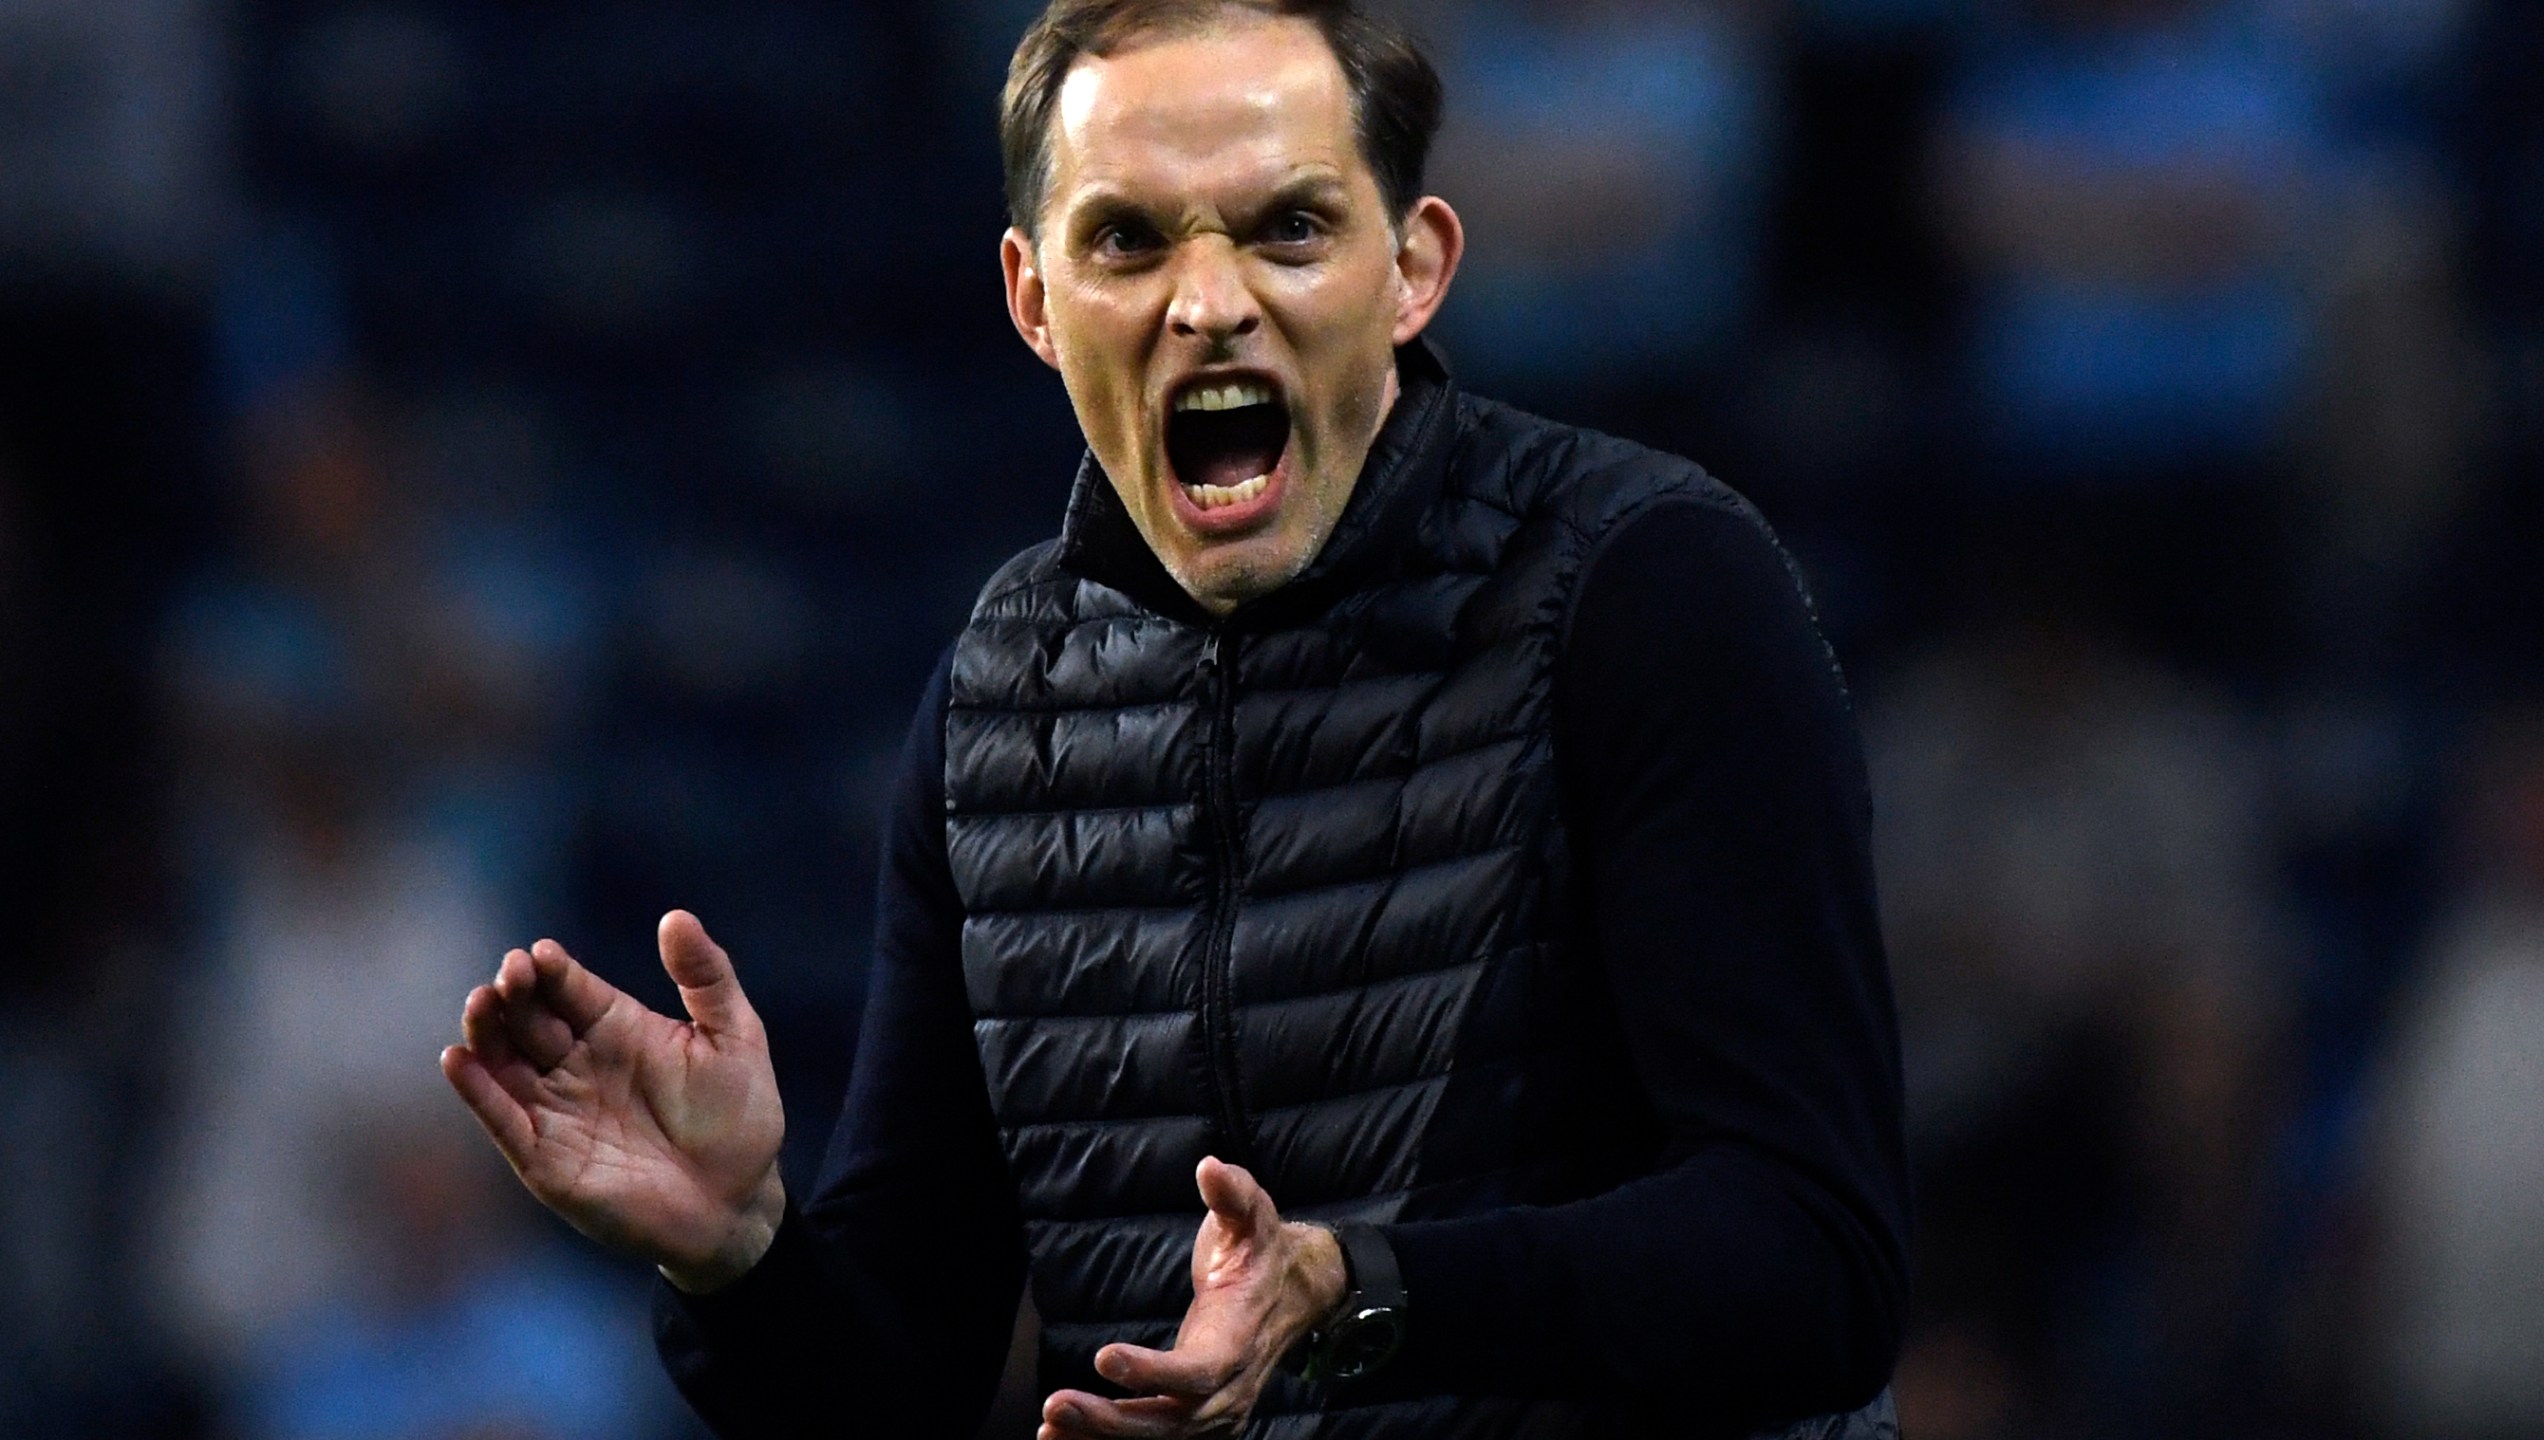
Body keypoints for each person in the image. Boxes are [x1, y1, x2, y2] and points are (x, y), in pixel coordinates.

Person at [441, 2, 1908, 1435]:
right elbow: (900, 1382)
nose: (1210, 303)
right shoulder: (995, 709)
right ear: (1032, 299)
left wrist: (1354, 1298)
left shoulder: (1648, 589)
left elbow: (1812, 1263)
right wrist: (737, 1251)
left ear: (1414, 268)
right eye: (1130, 240)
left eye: (1289, 229)